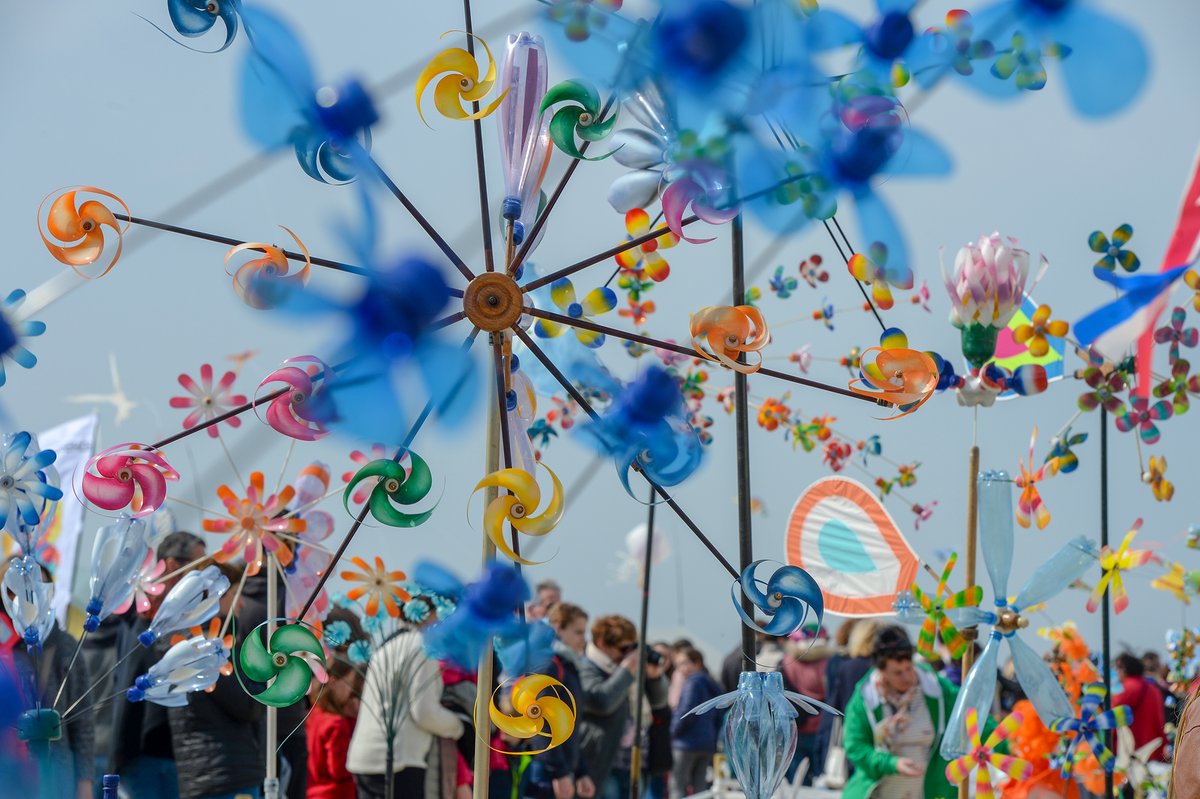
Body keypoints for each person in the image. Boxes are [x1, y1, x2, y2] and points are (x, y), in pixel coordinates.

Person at [112, 530, 206, 799]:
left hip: (181, 753)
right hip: (142, 752)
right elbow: (125, 682)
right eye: (199, 565)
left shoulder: (192, 613)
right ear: (175, 565)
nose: (204, 573)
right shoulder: (144, 611)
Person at [346, 598, 465, 797]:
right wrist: (459, 725)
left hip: (368, 756)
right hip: (397, 759)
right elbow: (424, 711)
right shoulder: (423, 646)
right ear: (432, 613)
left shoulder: (390, 643)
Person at [168, 561, 266, 799]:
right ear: (216, 595)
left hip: (204, 772)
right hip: (225, 772)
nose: (242, 603)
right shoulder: (209, 645)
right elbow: (248, 705)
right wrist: (262, 676)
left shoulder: (184, 639)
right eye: (234, 594)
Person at [1, 557, 95, 799]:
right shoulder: (4, 646)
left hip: (58, 770)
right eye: (17, 589)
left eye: (40, 587)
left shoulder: (64, 645)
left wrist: (85, 781)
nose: (30, 596)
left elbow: (83, 721)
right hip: (10, 771)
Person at [842, 625, 959, 799]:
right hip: (879, 792)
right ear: (881, 671)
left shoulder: (937, 689)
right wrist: (892, 763)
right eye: (897, 672)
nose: (907, 677)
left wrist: (1007, 740)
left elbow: (970, 714)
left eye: (909, 668)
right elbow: (855, 747)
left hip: (929, 791)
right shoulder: (864, 699)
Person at [577, 614, 668, 799]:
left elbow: (659, 702)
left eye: (632, 647)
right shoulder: (586, 667)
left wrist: (653, 676)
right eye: (624, 648)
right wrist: (627, 668)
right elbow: (602, 701)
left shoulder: (627, 669)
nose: (628, 653)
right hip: (605, 762)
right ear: (603, 644)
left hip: (636, 759)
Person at [527, 602, 595, 799]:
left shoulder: (569, 666)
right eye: (578, 632)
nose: (583, 640)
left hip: (562, 767)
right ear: (558, 628)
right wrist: (559, 772)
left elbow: (570, 728)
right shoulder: (549, 665)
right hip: (546, 770)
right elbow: (542, 723)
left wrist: (580, 771)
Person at [781, 625, 833, 785]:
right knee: (822, 778)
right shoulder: (829, 663)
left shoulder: (787, 662)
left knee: (796, 780)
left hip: (796, 726)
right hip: (823, 727)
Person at [305, 659, 362, 799]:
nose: (351, 690)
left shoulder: (313, 714)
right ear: (334, 681)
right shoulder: (336, 724)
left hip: (312, 791)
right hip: (336, 793)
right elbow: (339, 769)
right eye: (349, 683)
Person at [670, 647, 722, 796]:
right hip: (706, 742)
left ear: (697, 663)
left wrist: (673, 732)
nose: (681, 668)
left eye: (685, 663)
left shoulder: (693, 682)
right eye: (678, 664)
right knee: (700, 788)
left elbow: (687, 711)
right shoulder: (710, 683)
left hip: (686, 742)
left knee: (677, 784)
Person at [1114, 652, 1167, 762]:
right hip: (1154, 749)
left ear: (1124, 669)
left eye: (1118, 668)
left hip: (1134, 751)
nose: (1116, 672)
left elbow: (1112, 717)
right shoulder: (1153, 688)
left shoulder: (1127, 688)